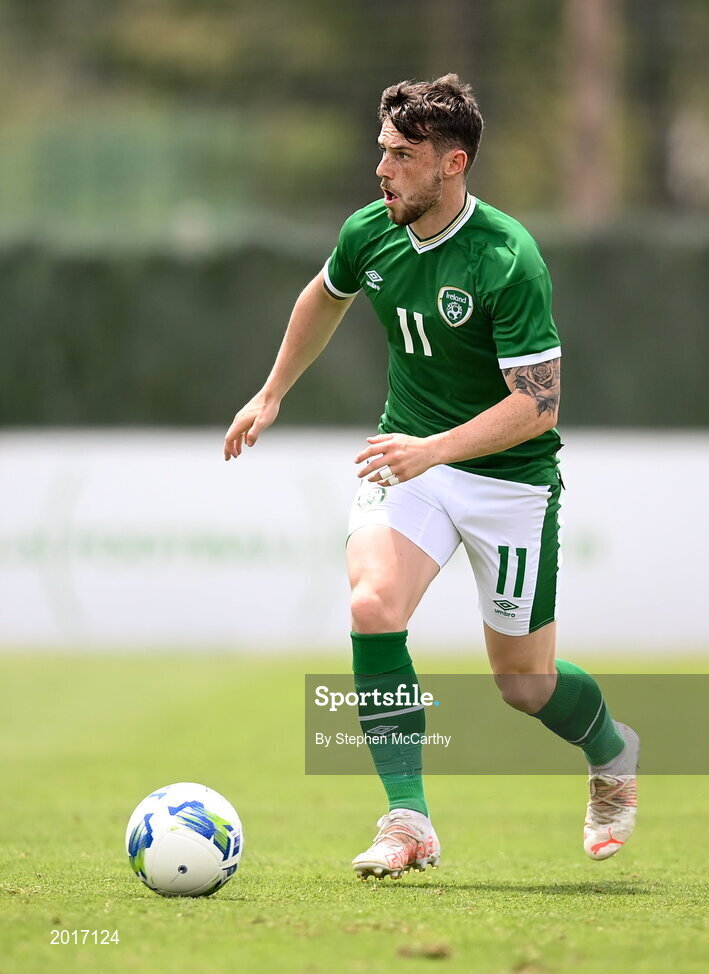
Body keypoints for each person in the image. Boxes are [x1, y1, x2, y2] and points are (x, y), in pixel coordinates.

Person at [224, 74, 639, 880]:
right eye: (382, 151)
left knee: (523, 684)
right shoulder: (369, 231)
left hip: (508, 479)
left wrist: (437, 449)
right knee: (372, 605)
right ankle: (407, 819)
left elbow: (537, 405)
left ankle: (612, 750)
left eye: (403, 157)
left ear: (453, 164)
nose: (383, 171)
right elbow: (323, 296)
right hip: (411, 462)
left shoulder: (506, 257)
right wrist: (270, 392)